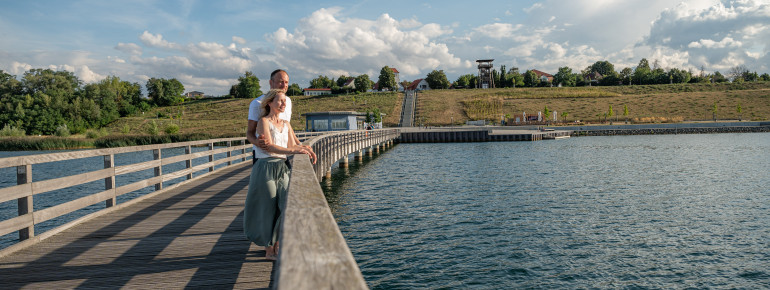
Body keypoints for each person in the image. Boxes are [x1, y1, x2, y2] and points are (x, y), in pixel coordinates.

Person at [244, 89, 316, 261]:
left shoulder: (286, 124)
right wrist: (296, 150)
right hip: (265, 167)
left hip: (282, 168)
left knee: (287, 205)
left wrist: (305, 148)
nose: (284, 104)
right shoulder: (263, 122)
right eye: (280, 101)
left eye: (285, 101)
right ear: (269, 103)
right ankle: (269, 250)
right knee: (267, 207)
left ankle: (277, 243)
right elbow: (268, 147)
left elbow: (293, 144)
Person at [247, 69, 300, 164]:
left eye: (286, 82)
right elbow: (250, 133)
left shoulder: (287, 101)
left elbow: (288, 129)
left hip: (282, 154)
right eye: (280, 82)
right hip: (264, 157)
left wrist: (300, 145)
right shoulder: (256, 103)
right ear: (271, 83)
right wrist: (257, 142)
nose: (284, 85)